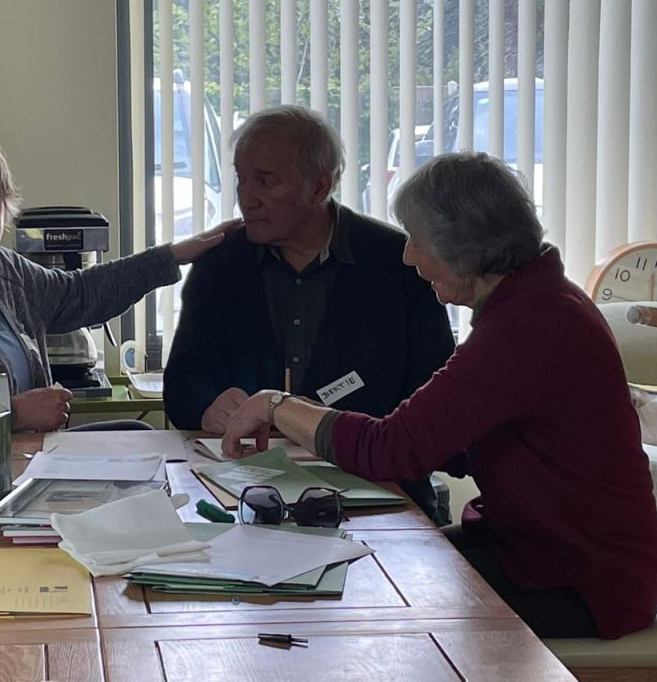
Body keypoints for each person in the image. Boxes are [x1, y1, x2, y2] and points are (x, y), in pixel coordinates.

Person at [221, 152, 657, 640]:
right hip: (535, 553)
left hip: (584, 582)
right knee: (368, 565)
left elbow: (391, 450)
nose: (408, 256)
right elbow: (442, 441)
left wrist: (276, 405)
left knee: (373, 601)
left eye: (417, 239)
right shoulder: (533, 304)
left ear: (463, 245)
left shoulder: (529, 324)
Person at [0, 124, 233, 439]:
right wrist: (13, 413)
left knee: (137, 436)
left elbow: (78, 294)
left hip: (19, 463)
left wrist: (173, 255)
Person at [163, 105, 455, 523]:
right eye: (241, 179)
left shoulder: (400, 262)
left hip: (377, 497)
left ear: (318, 187)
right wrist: (207, 406)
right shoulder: (220, 262)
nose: (246, 197)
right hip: (242, 494)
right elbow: (181, 382)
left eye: (265, 181)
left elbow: (431, 398)